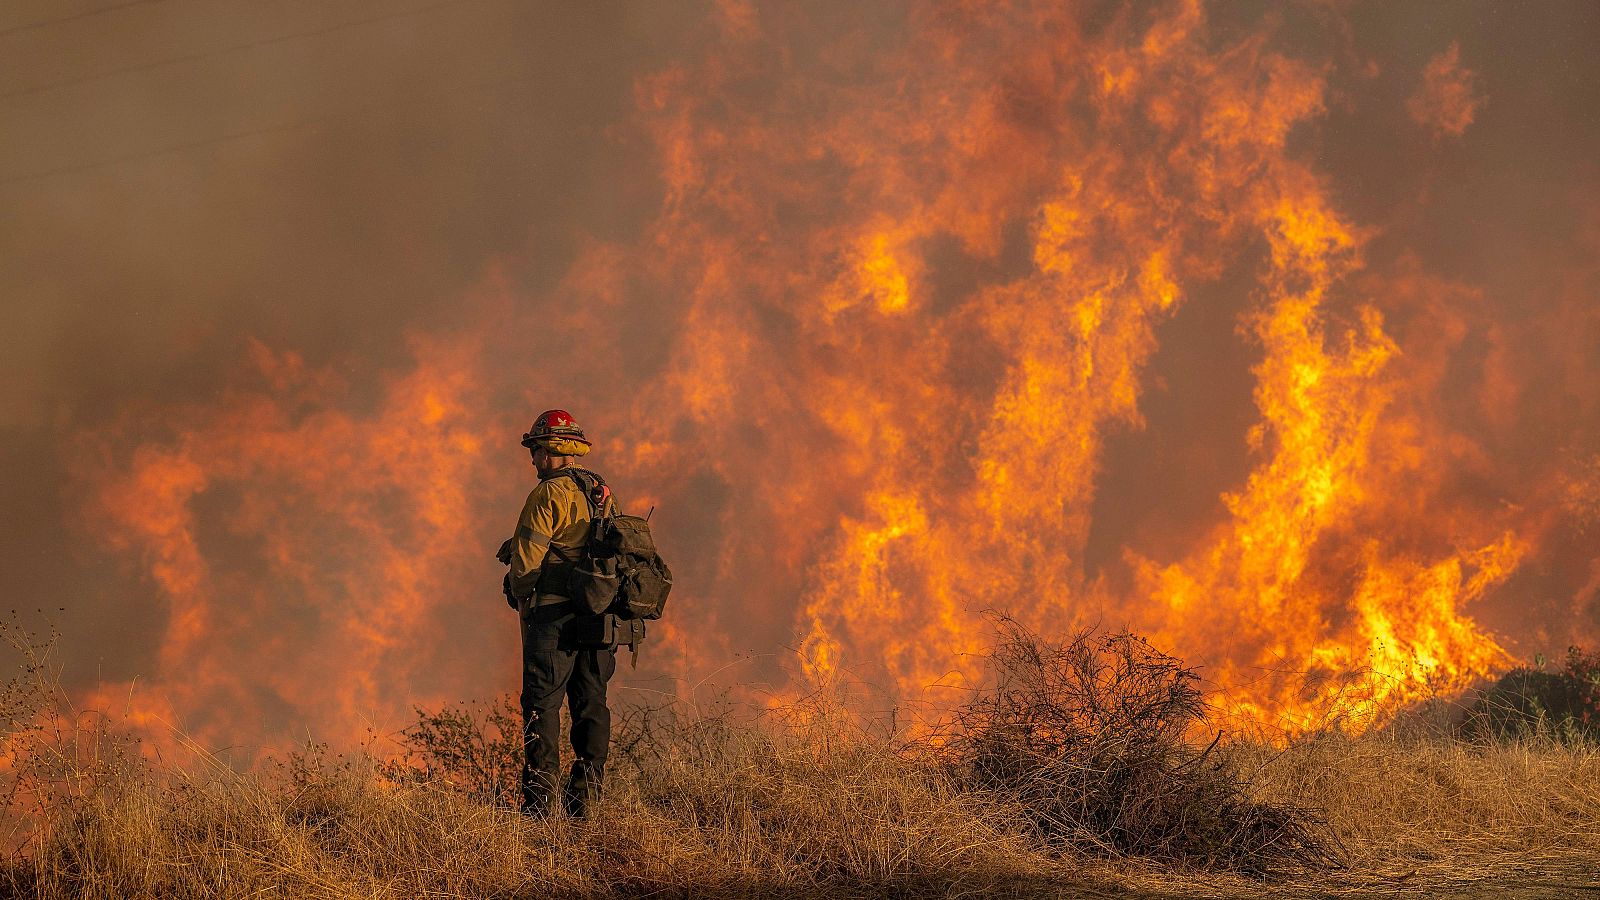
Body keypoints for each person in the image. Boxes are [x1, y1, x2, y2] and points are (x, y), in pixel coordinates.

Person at [495, 408, 617, 818]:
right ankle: (585, 806)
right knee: (591, 705)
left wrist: (516, 588)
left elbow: (527, 565)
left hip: (553, 620)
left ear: (550, 450)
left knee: (541, 706)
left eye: (534, 450)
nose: (532, 460)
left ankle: (541, 808)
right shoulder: (599, 489)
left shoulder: (548, 494)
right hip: (598, 619)